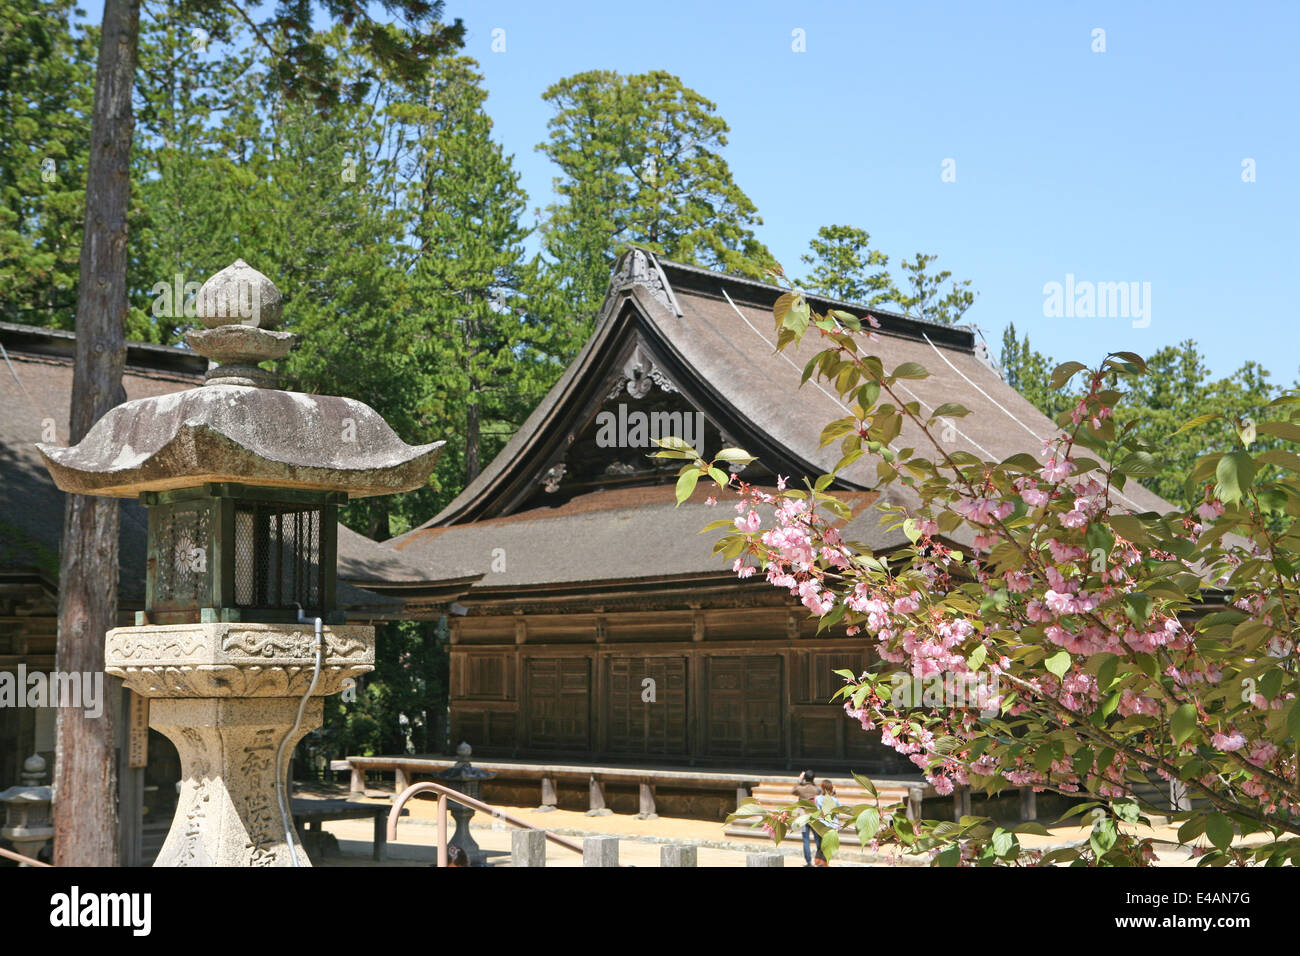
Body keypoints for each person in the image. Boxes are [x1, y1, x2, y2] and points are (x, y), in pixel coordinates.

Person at [792, 770, 820, 866]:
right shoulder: (816, 789)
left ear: (804, 778)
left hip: (803, 817)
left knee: (806, 840)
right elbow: (819, 791)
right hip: (814, 816)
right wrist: (812, 781)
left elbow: (793, 791)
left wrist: (800, 780)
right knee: (817, 839)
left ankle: (808, 862)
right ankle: (819, 860)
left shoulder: (800, 789)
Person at [814, 779, 840, 867]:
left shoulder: (818, 798)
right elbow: (839, 809)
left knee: (820, 846)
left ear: (822, 788)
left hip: (820, 825)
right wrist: (834, 794)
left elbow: (816, 809)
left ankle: (817, 863)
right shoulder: (834, 800)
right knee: (828, 847)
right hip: (831, 826)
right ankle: (824, 864)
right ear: (831, 789)